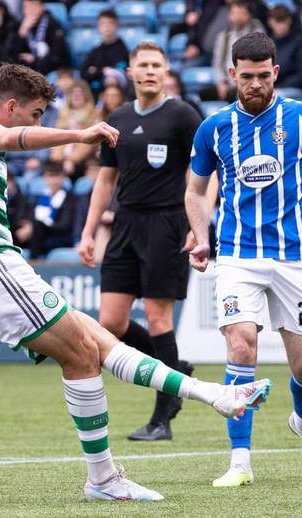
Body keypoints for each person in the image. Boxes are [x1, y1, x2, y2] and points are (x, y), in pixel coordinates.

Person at [0, 63, 272, 501]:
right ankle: (103, 480)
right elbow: (11, 137)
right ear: (10, 106)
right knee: (84, 353)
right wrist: (79, 135)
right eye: (36, 113)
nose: (39, 122)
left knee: (94, 337)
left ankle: (215, 395)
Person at [185, 32, 302, 487]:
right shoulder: (213, 127)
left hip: (295, 257)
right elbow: (195, 191)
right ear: (231, 74)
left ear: (275, 72)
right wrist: (201, 237)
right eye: (246, 76)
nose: (254, 84)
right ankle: (240, 462)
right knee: (241, 345)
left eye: (263, 75)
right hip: (237, 256)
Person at [78, 42, 203, 442]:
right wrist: (88, 230)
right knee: (110, 323)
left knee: (158, 317)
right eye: (142, 65)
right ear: (129, 72)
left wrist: (197, 225)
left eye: (156, 65)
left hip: (166, 224)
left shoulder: (183, 115)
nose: (149, 71)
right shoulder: (118, 117)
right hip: (125, 225)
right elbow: (105, 179)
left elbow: (204, 174)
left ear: (166, 71)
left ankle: (162, 417)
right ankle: (176, 370)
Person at [205, 0, 265, 102]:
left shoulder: (257, 34)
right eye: (234, 13)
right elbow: (217, 63)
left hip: (247, 82)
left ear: (248, 16)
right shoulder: (223, 37)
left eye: (241, 13)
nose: (237, 17)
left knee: (234, 95)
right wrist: (221, 82)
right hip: (227, 83)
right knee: (203, 94)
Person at [28, 160, 76, 258]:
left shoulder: (70, 199)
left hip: (60, 237)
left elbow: (65, 226)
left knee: (38, 227)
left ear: (63, 178)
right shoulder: (38, 198)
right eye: (50, 176)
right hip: (39, 235)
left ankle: (33, 262)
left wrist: (42, 226)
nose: (54, 180)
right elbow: (30, 217)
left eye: (57, 176)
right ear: (45, 178)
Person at [79, 9, 129, 98]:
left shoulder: (122, 50)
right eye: (103, 23)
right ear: (98, 26)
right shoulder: (95, 50)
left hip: (117, 96)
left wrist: (95, 71)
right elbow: (83, 73)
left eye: (110, 23)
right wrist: (103, 70)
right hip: (94, 94)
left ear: (117, 25)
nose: (107, 27)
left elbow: (117, 74)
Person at [267, 2, 302, 96]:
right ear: (270, 22)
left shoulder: (299, 41)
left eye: (283, 20)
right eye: (277, 21)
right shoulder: (267, 43)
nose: (281, 25)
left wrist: (279, 87)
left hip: (294, 88)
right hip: (272, 87)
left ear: (289, 20)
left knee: (274, 96)